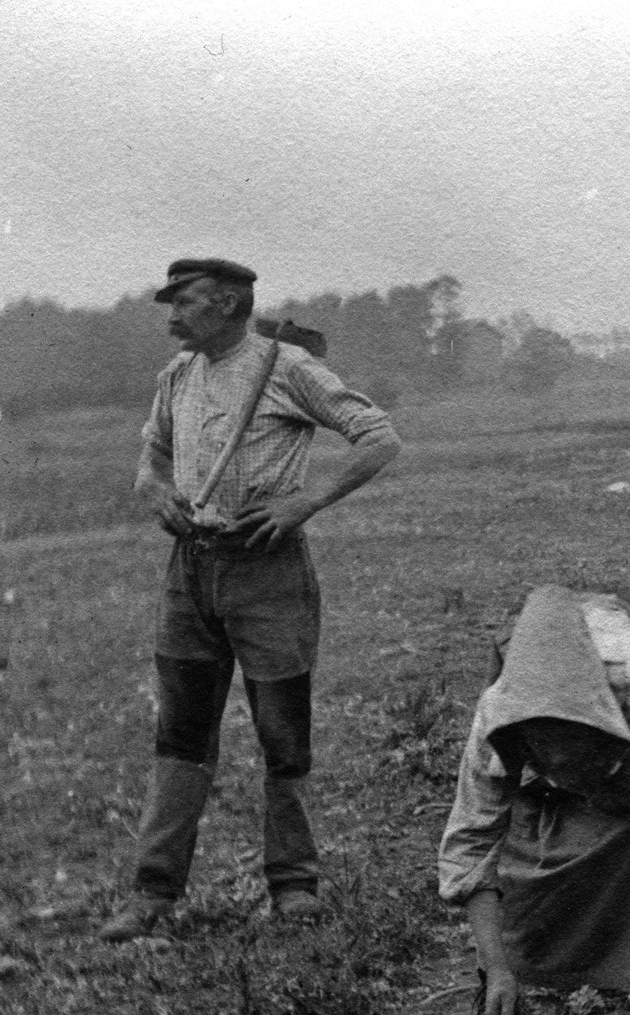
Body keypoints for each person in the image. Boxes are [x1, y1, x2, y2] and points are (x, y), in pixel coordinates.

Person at [102, 258, 400, 941]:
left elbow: (379, 437)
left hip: (268, 573)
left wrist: (305, 502)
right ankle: (153, 894)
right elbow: (151, 458)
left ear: (230, 303)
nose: (172, 316)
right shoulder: (176, 374)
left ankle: (293, 885)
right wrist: (154, 491)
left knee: (281, 732)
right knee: (180, 733)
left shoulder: (287, 367)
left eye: (186, 303)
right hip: (190, 572)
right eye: (171, 304)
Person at [438, 584, 630, 1015]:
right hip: (550, 688)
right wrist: (497, 965)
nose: (558, 764)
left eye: (571, 751)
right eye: (543, 750)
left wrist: (578, 783)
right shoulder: (497, 718)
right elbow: (471, 841)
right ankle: (499, 994)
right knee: (527, 844)